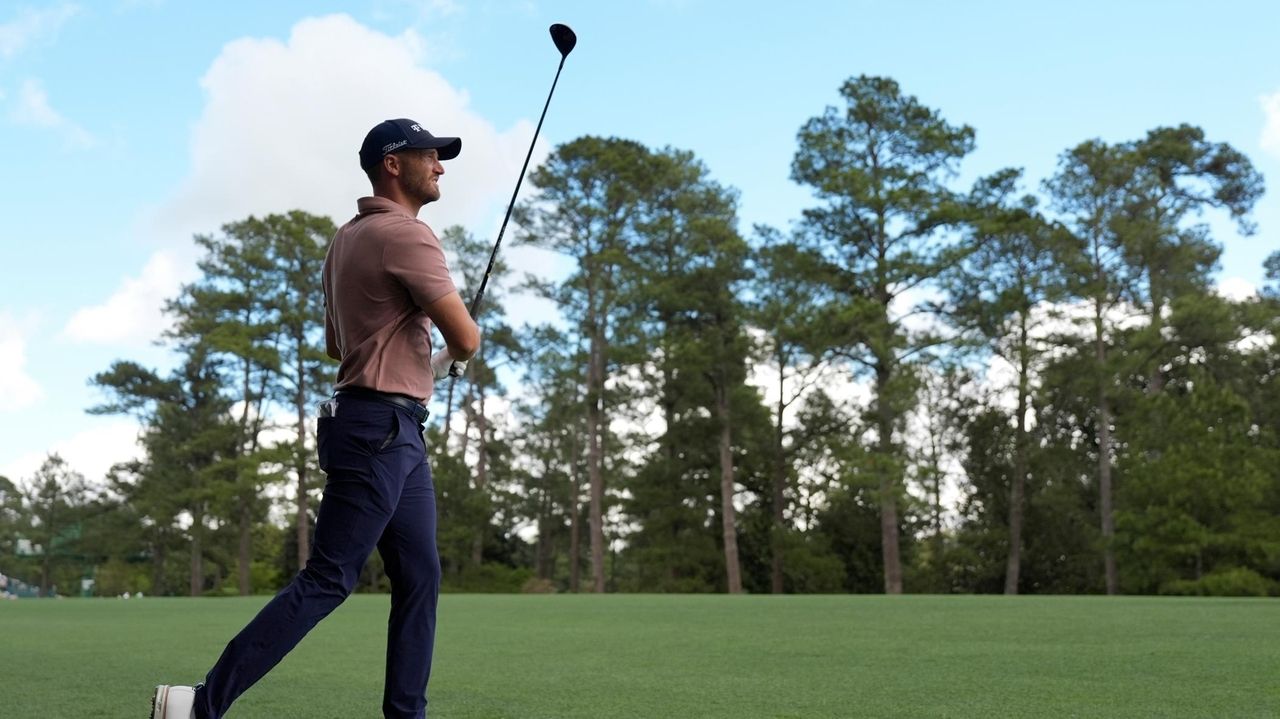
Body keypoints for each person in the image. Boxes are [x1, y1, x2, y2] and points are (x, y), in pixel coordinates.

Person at [151, 118, 481, 719]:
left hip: (386, 427)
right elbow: (466, 335)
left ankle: (407, 714)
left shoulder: (346, 238)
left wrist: (423, 352)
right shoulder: (408, 235)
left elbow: (340, 346)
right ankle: (198, 706)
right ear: (393, 163)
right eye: (430, 156)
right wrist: (455, 347)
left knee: (420, 578)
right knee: (328, 578)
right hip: (380, 430)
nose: (439, 166)